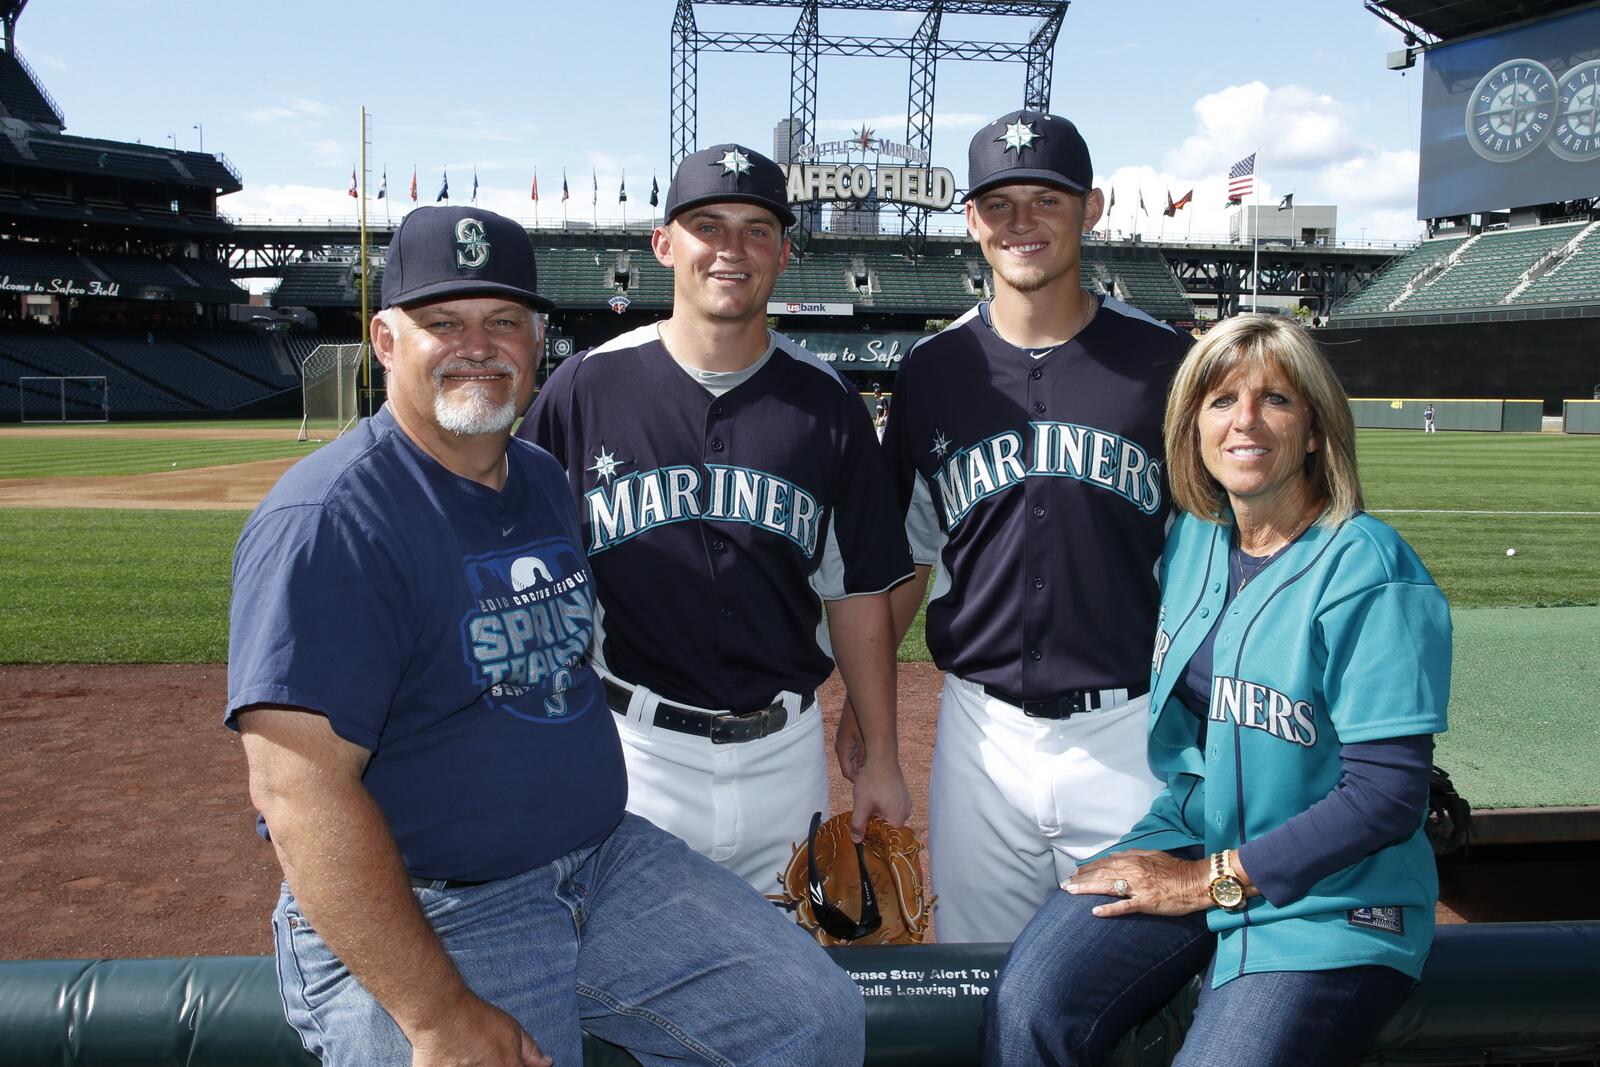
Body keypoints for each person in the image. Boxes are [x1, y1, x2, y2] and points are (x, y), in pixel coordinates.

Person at [227, 205, 864, 1067]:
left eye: (504, 322)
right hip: (436, 906)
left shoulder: (536, 476)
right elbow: (298, 793)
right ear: (384, 339)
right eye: (443, 322)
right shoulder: (330, 519)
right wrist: (437, 1009)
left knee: (811, 1015)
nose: (477, 346)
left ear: (538, 342)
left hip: (600, 864)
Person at [983, 314, 1451, 1067]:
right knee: (1031, 1000)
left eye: (1277, 400)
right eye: (1222, 400)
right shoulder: (1196, 538)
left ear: (1314, 431)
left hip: (1333, 893)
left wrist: (1210, 881)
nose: (1246, 421)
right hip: (1196, 834)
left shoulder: (1370, 568)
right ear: (1192, 425)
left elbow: (1389, 794)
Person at [518, 144, 914, 892]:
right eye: (707, 225)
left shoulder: (828, 403)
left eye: (756, 229)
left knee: (780, 989)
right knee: (627, 984)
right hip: (635, 750)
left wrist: (884, 758)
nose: (732, 248)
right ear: (665, 244)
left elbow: (857, 590)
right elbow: (525, 567)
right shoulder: (584, 387)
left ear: (784, 254)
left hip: (784, 755)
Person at [855, 110, 1187, 942]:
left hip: (1128, 728)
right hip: (981, 732)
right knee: (976, 974)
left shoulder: (1166, 364)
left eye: (1047, 199)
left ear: (1092, 209)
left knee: (1125, 978)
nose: (1022, 223)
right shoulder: (934, 371)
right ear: (971, 220)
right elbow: (911, 555)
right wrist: (870, 705)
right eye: (999, 204)